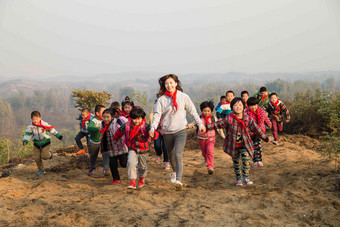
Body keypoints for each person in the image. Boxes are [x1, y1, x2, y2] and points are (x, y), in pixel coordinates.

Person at [149, 74, 206, 191]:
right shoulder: (161, 100)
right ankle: (174, 172)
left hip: (180, 130)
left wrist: (200, 124)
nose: (169, 85)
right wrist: (153, 128)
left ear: (176, 83)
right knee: (170, 156)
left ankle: (179, 180)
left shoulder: (183, 97)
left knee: (178, 155)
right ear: (164, 86)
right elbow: (157, 115)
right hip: (167, 131)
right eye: (166, 84)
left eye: (171, 83)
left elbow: (193, 111)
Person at [206, 98, 273, 186]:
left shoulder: (247, 118)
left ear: (244, 107)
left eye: (240, 105)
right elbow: (218, 124)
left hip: (245, 144)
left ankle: (246, 178)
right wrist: (205, 127)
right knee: (236, 163)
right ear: (232, 107)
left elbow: (256, 129)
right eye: (235, 105)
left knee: (246, 160)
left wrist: (266, 138)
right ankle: (238, 179)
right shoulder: (229, 118)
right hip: (233, 145)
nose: (238, 107)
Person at [114, 107, 159, 189]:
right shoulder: (126, 125)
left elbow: (155, 133)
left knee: (142, 167)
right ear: (131, 118)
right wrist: (115, 138)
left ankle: (141, 177)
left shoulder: (145, 126)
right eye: (134, 119)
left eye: (139, 119)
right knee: (131, 163)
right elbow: (119, 132)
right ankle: (132, 180)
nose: (136, 121)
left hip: (144, 149)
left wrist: (153, 135)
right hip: (132, 148)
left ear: (142, 118)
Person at [23, 111, 63, 176]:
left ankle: (50, 154)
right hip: (36, 144)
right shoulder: (30, 127)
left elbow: (52, 130)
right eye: (34, 119)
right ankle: (41, 170)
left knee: (45, 156)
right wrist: (25, 141)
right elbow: (27, 135)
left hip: (46, 143)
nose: (35, 121)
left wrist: (59, 136)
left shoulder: (44, 124)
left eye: (37, 119)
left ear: (40, 118)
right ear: (31, 119)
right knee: (37, 158)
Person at [100, 108, 128, 184]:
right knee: (112, 164)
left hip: (120, 147)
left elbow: (123, 133)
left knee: (124, 163)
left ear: (112, 117)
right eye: (104, 117)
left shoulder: (117, 123)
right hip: (111, 148)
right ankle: (116, 179)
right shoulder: (103, 124)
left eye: (108, 117)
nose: (106, 119)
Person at [197, 100, 225, 174]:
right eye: (204, 111)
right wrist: (187, 126)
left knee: (210, 151)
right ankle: (206, 159)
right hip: (201, 138)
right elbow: (193, 124)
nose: (206, 112)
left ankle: (210, 166)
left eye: (208, 111)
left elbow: (218, 128)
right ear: (202, 110)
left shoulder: (213, 118)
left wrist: (223, 136)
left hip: (211, 138)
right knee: (204, 153)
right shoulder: (199, 118)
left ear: (211, 111)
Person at [245, 97, 272, 167]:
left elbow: (265, 118)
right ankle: (254, 161)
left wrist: (269, 124)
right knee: (252, 147)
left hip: (260, 132)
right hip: (251, 133)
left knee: (258, 146)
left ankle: (259, 160)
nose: (253, 107)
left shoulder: (261, 111)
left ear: (257, 104)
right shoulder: (246, 114)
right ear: (248, 106)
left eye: (254, 105)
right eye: (251, 105)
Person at [87, 104, 110, 176]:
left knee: (106, 154)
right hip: (94, 142)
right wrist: (98, 128)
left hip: (103, 141)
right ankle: (92, 168)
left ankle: (106, 169)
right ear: (97, 113)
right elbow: (89, 128)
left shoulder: (106, 119)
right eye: (103, 111)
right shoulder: (94, 120)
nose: (105, 113)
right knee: (93, 156)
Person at [149, 99, 170, 170]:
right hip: (157, 131)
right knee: (157, 145)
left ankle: (166, 162)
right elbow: (152, 122)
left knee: (165, 147)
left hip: (166, 131)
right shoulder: (154, 114)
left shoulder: (169, 113)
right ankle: (158, 154)